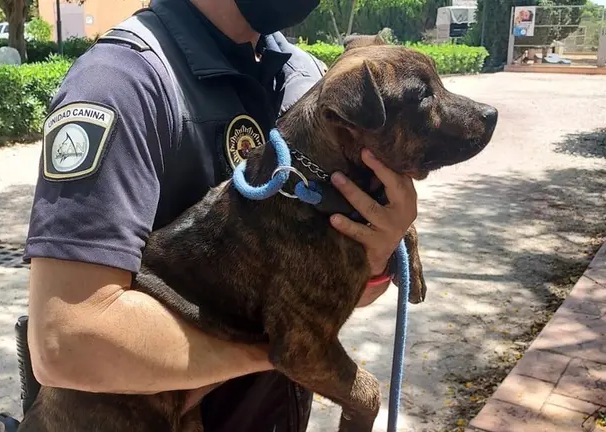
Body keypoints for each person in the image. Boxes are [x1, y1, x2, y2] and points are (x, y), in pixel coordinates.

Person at [22, 0, 419, 431]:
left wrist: (375, 257)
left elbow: (320, 294)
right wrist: (279, 353)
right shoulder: (121, 81)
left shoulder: (306, 81)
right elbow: (69, 340)